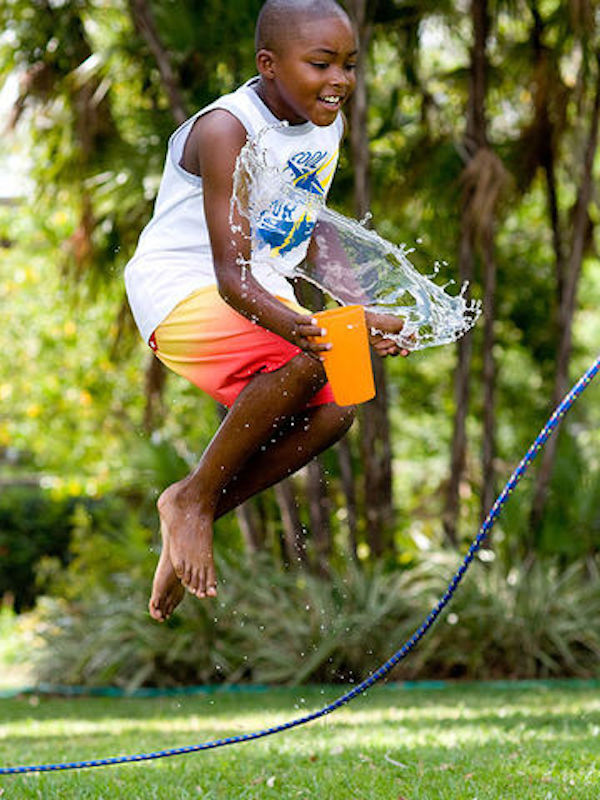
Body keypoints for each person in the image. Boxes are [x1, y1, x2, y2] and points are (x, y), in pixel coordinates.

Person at [125, 0, 406, 622]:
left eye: (349, 65)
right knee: (319, 355)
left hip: (265, 291)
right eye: (321, 64)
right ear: (269, 65)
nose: (340, 80)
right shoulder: (228, 129)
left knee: (340, 408)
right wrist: (345, 327)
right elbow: (232, 275)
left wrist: (360, 306)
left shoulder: (321, 121)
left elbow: (308, 231)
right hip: (183, 291)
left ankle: (192, 506)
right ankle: (192, 502)